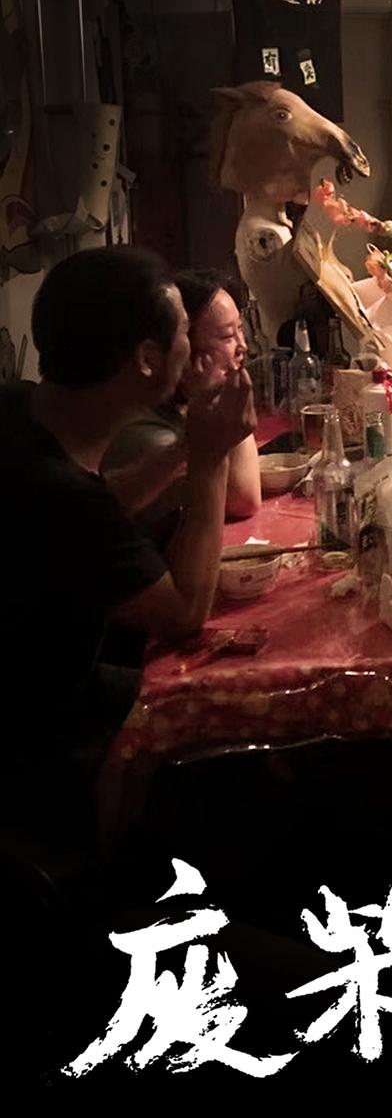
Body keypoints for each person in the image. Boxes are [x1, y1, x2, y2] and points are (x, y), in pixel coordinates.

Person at [0, 246, 256, 854]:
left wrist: (186, 446)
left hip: (40, 688)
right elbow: (184, 611)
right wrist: (210, 457)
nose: (193, 351)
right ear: (147, 359)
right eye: (183, 335)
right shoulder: (59, 496)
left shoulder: (19, 409)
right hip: (37, 746)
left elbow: (101, 503)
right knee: (237, 740)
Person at [102, 269, 261, 530]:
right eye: (227, 336)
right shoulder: (148, 435)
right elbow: (243, 499)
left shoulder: (182, 408)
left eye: (240, 330)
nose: (242, 346)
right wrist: (223, 397)